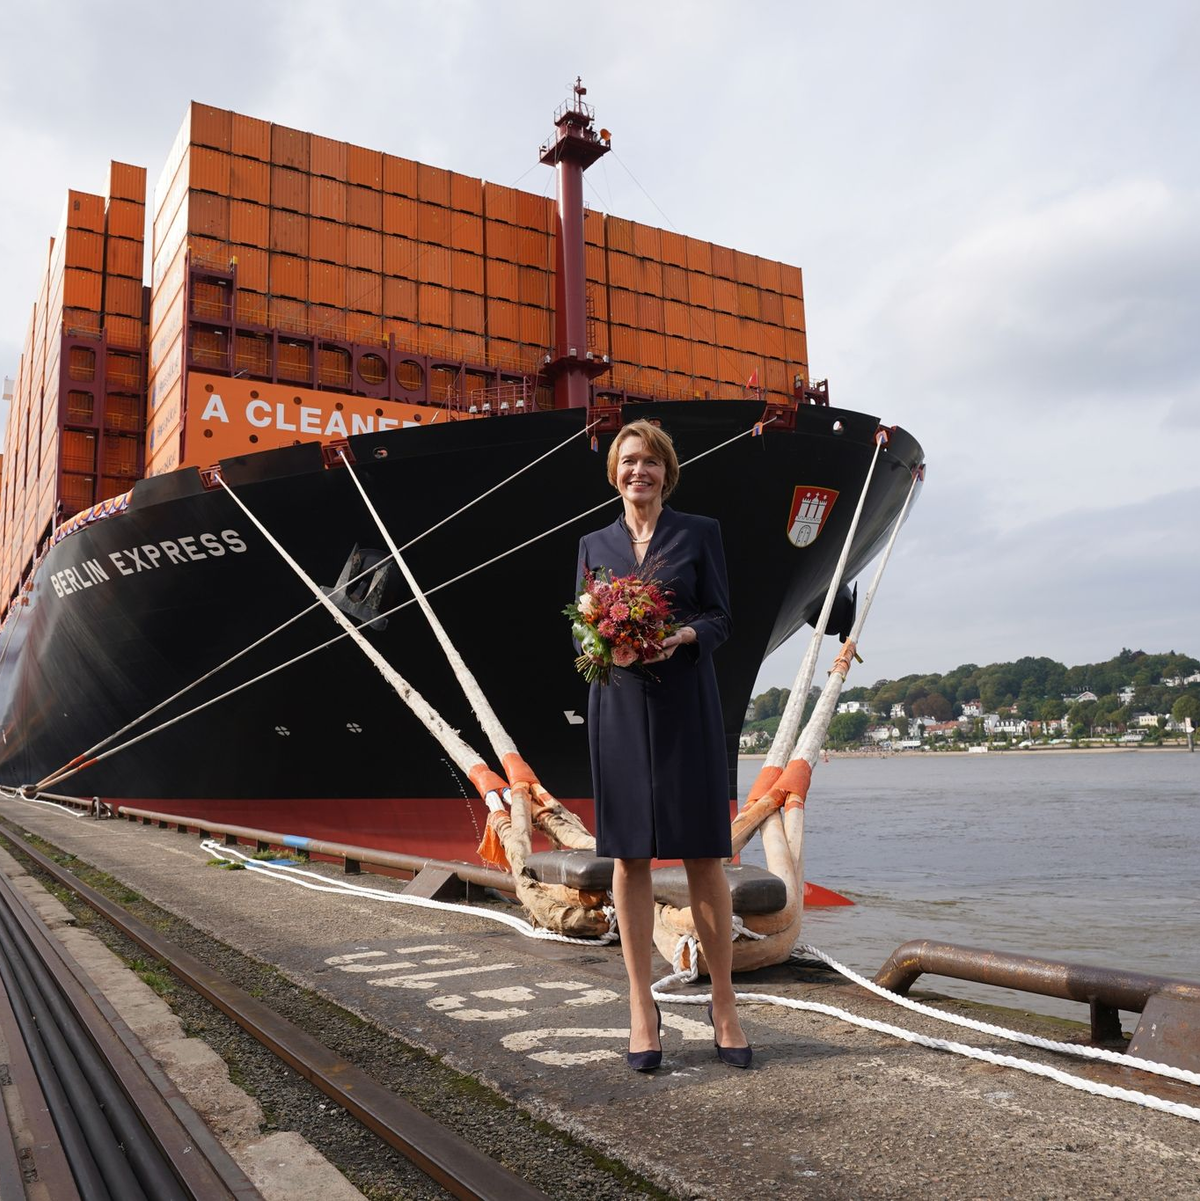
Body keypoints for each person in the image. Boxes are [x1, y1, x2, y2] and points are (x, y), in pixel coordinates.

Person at [574, 419, 751, 1070]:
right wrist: (601, 640)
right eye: (627, 462)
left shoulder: (698, 533)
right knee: (629, 858)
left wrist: (683, 637)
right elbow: (578, 631)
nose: (637, 471)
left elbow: (721, 616)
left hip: (686, 705)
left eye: (649, 461)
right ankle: (640, 1005)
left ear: (665, 471)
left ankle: (724, 1001)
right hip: (618, 705)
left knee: (704, 854)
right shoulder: (593, 543)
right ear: (615, 473)